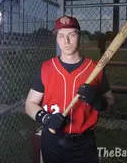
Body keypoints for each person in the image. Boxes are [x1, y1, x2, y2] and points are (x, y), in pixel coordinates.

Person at [25, 15, 115, 163]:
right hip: (52, 139)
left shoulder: (95, 68)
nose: (66, 41)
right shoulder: (46, 68)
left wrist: (99, 102)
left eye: (71, 35)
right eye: (61, 36)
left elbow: (111, 102)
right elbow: (30, 104)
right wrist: (45, 118)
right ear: (57, 39)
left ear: (79, 37)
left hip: (83, 143)